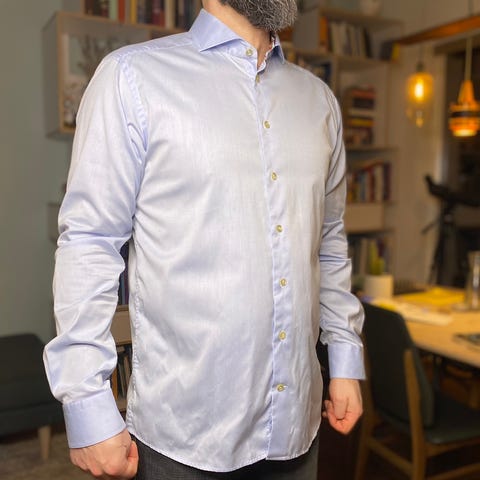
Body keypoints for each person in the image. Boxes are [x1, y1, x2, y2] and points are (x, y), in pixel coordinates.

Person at [43, 0, 365, 478]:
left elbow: (329, 240)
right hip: (184, 437)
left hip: (298, 425)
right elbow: (90, 241)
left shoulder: (319, 101)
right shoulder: (131, 78)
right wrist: (87, 403)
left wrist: (343, 358)